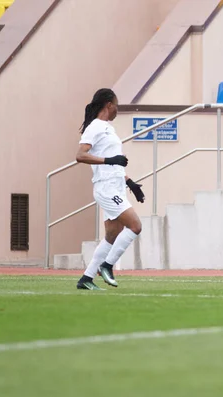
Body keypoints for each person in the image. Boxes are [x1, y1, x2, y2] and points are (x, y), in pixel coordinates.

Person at [74, 88, 144, 290]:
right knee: (135, 226)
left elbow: (115, 162)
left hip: (116, 185)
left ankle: (86, 279)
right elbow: (80, 155)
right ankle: (107, 265)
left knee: (112, 234)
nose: (117, 110)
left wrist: (130, 182)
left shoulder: (108, 128)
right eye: (116, 105)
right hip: (106, 188)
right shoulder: (95, 127)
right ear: (108, 104)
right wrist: (109, 160)